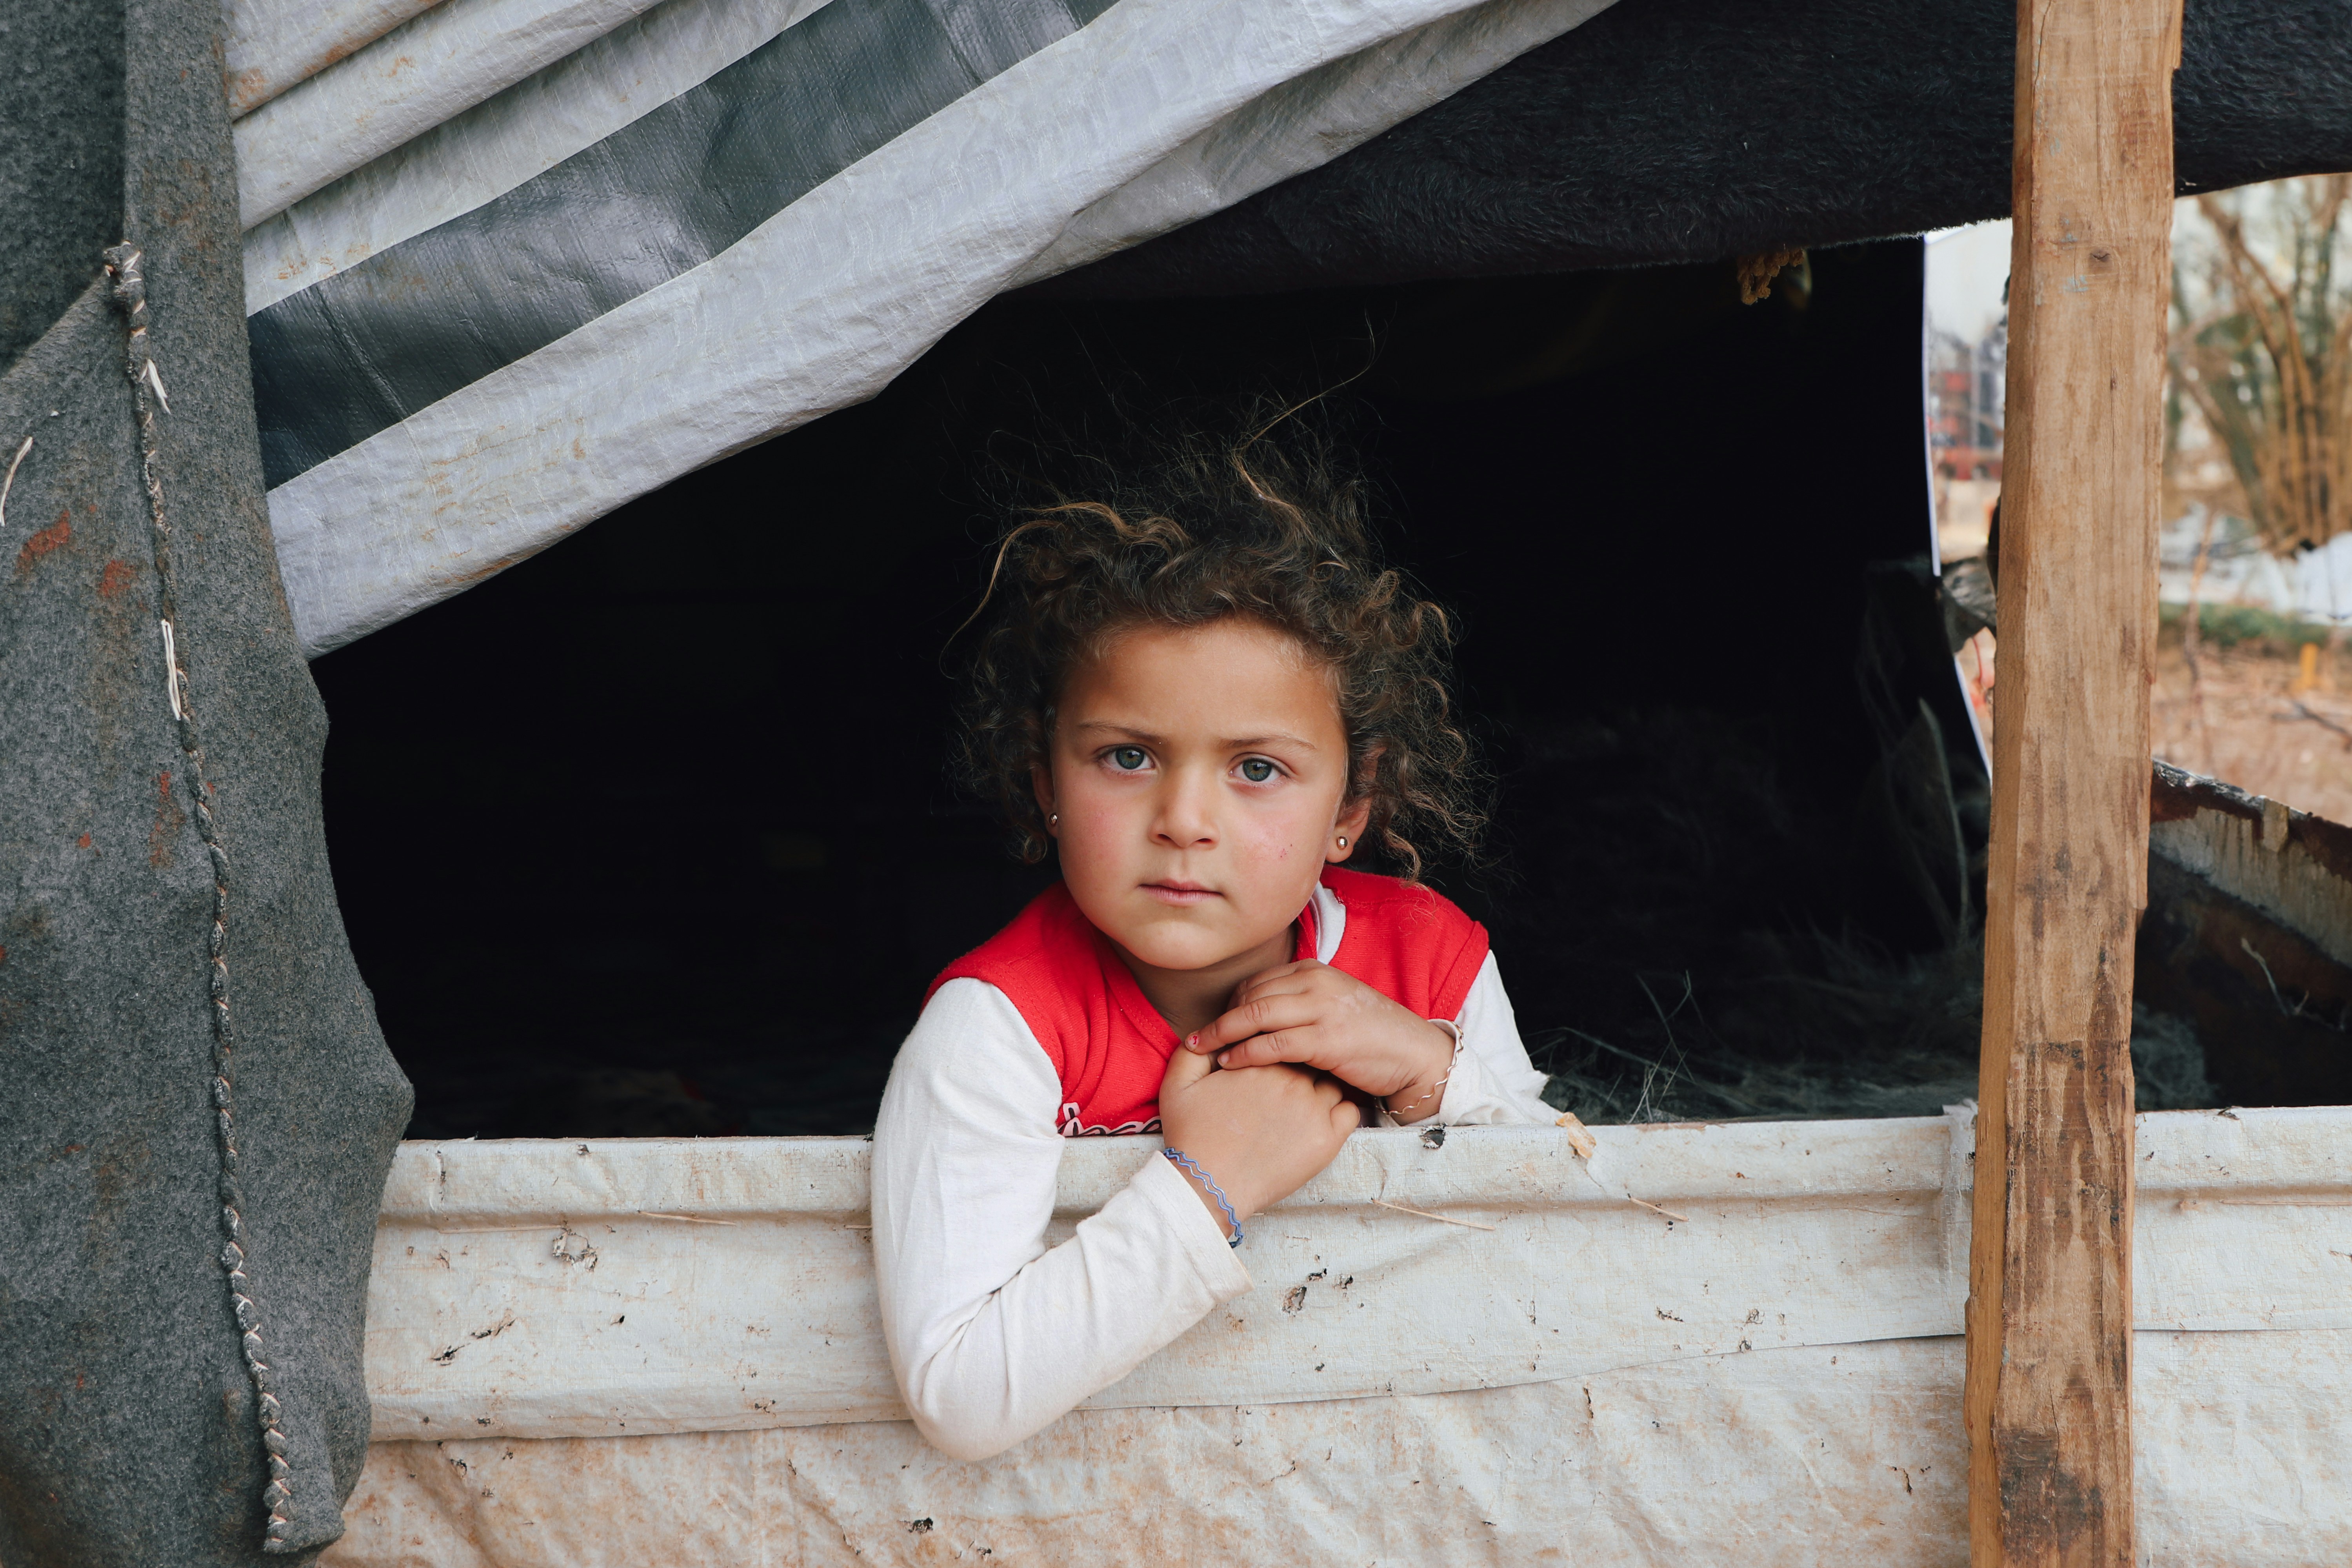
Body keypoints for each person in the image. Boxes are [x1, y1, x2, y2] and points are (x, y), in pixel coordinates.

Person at [869, 431, 1555, 1461]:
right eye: (1128, 756)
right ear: (1047, 782)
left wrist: (1429, 1072)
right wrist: (1206, 1185)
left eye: (1258, 770)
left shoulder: (1431, 964)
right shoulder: (996, 1027)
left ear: (1352, 808)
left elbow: (1571, 1230)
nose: (1184, 819)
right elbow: (960, 1394)